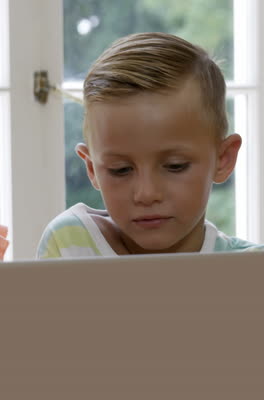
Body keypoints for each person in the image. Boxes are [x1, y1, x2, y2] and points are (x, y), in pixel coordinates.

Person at [37, 32, 264, 259]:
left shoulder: (252, 266)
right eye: (120, 170)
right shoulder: (68, 243)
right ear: (92, 168)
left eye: (175, 166)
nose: (147, 194)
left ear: (223, 159)